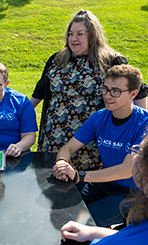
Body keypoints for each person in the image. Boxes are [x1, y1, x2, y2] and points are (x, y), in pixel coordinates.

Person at [31, 10, 147, 171]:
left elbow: (138, 91)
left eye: (79, 34)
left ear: (93, 35)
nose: (73, 39)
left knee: (86, 189)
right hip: (53, 141)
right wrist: (17, 119)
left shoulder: (111, 60)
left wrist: (140, 135)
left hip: (92, 146)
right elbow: (38, 93)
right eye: (70, 34)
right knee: (51, 187)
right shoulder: (57, 60)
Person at [52, 64, 148, 227]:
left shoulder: (144, 124)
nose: (108, 96)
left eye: (116, 91)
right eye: (105, 89)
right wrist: (62, 163)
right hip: (104, 183)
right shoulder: (99, 117)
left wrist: (78, 175)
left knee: (82, 223)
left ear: (133, 93)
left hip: (135, 194)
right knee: (57, 206)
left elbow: (127, 170)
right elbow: (67, 148)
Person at [60, 134, 148, 245]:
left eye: (138, 150)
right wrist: (94, 232)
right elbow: (137, 238)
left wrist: (78, 175)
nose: (132, 152)